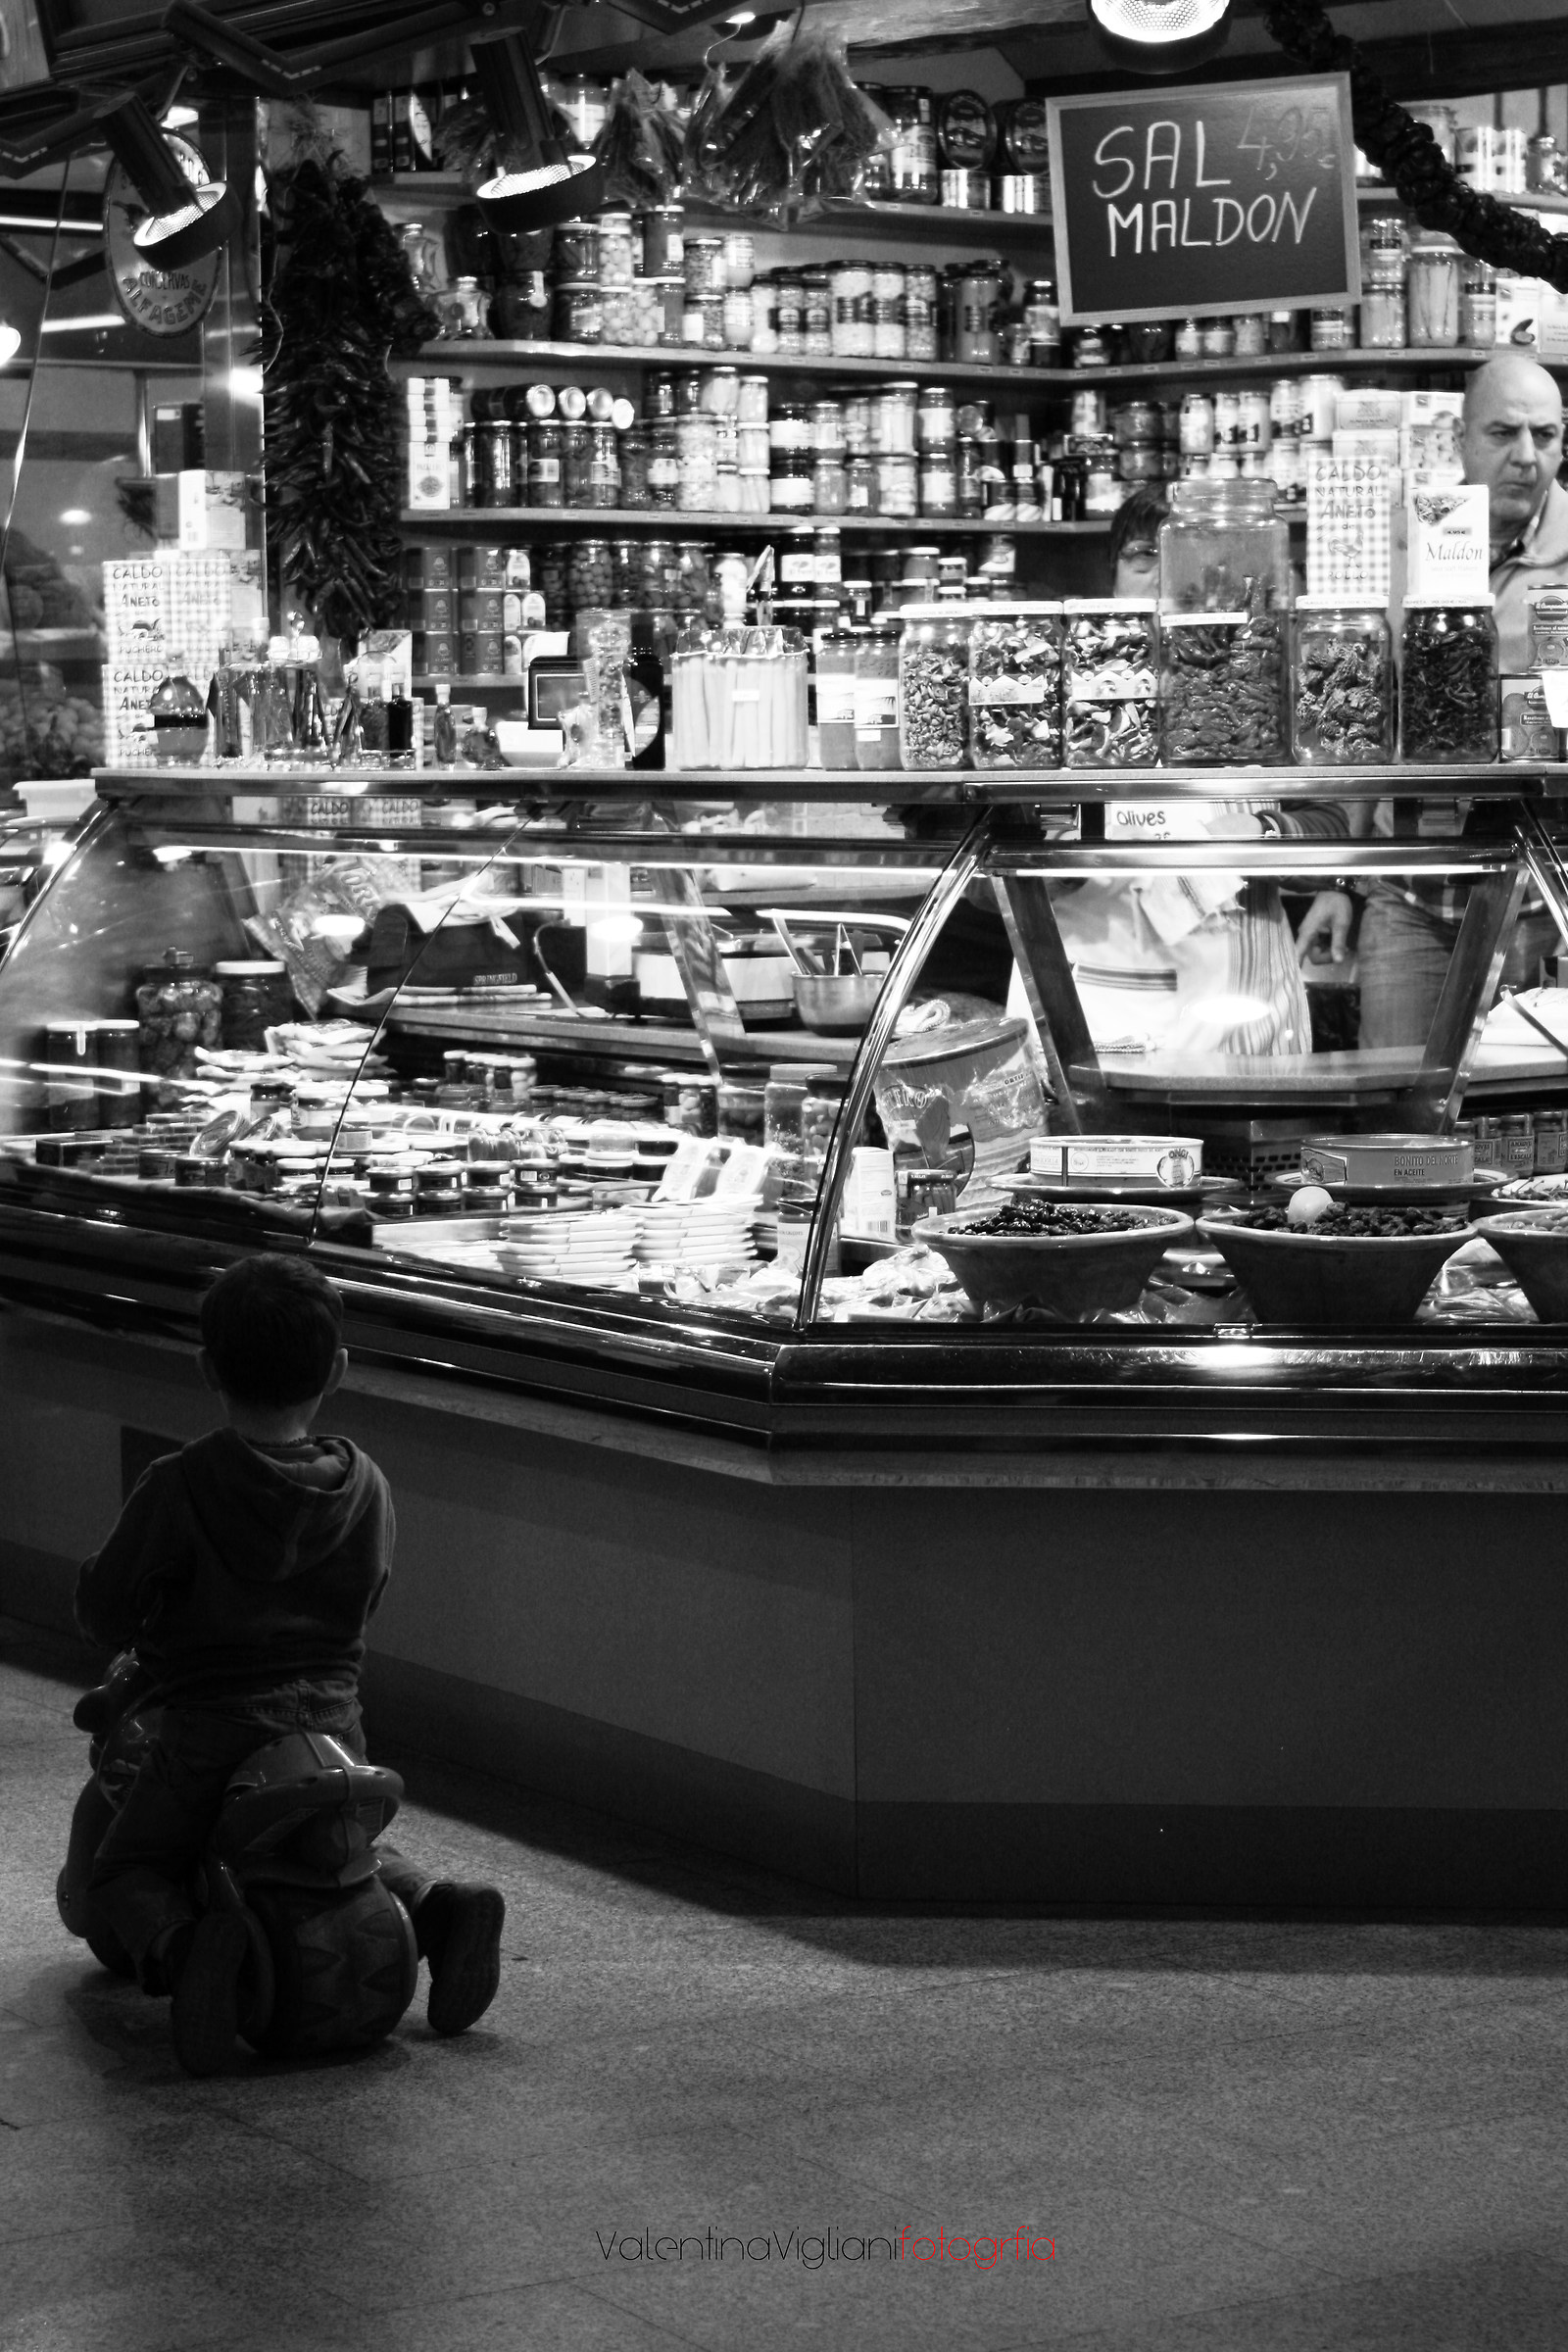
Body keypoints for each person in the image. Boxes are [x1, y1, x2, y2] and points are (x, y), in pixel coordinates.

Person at [74, 1252, 505, 2076]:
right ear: (338, 1370)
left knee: (125, 1867)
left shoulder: (179, 1484)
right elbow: (369, 1595)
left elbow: (107, 1606)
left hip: (206, 1726)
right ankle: (441, 1911)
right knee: (347, 1845)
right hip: (336, 1725)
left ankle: (189, 1948)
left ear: (206, 1368)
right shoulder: (367, 1483)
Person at [1296, 351, 1568, 1042]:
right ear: (1457, 439)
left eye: (1546, 434)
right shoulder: (1407, 540)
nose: (1527, 457)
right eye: (1504, 434)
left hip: (1549, 898)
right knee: (1405, 1124)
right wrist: (1343, 880)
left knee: (1534, 1119)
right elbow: (1366, 720)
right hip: (1413, 895)